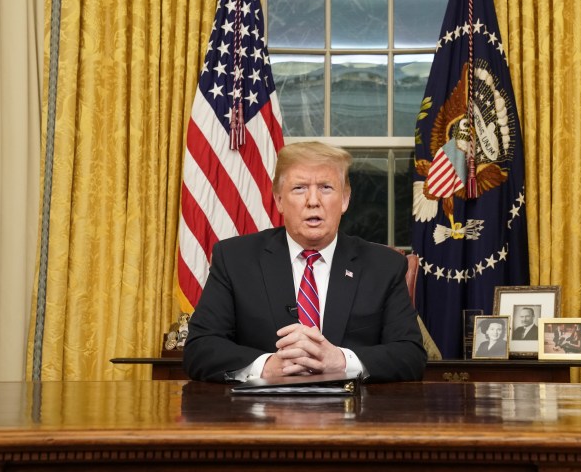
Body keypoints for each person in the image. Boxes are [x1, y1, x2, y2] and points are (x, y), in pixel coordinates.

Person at [183, 141, 427, 383]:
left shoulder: (384, 266)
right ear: (278, 200)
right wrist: (266, 366)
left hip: (353, 415)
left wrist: (341, 361)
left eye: (326, 188)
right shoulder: (235, 259)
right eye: (299, 188)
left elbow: (410, 355)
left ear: (344, 199)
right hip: (259, 415)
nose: (313, 201)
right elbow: (200, 348)